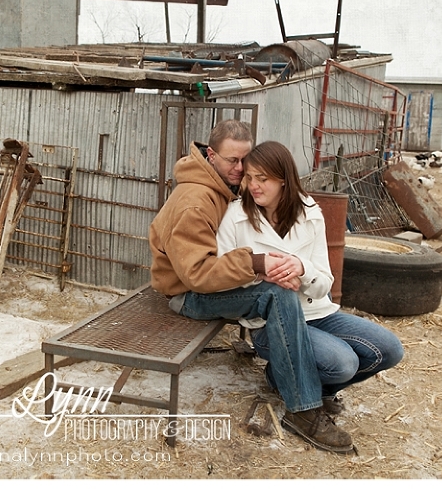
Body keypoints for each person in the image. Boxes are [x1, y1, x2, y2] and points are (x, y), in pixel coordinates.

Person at [149, 121, 358, 453]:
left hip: (212, 285)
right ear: (211, 155)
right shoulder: (195, 201)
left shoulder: (224, 184)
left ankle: (303, 386)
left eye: (244, 161)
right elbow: (197, 276)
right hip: (188, 295)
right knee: (276, 293)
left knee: (279, 290)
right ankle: (303, 410)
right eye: (232, 160)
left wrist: (283, 269)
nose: (240, 169)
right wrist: (258, 264)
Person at [217, 140, 404, 451]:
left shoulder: (310, 213)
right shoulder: (236, 217)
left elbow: (324, 283)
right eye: (249, 177)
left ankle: (299, 382)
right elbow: (224, 276)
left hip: (317, 312)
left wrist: (302, 270)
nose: (254, 185)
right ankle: (295, 390)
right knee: (342, 362)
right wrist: (265, 275)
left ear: (283, 179)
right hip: (270, 324)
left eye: (263, 178)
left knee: (388, 349)